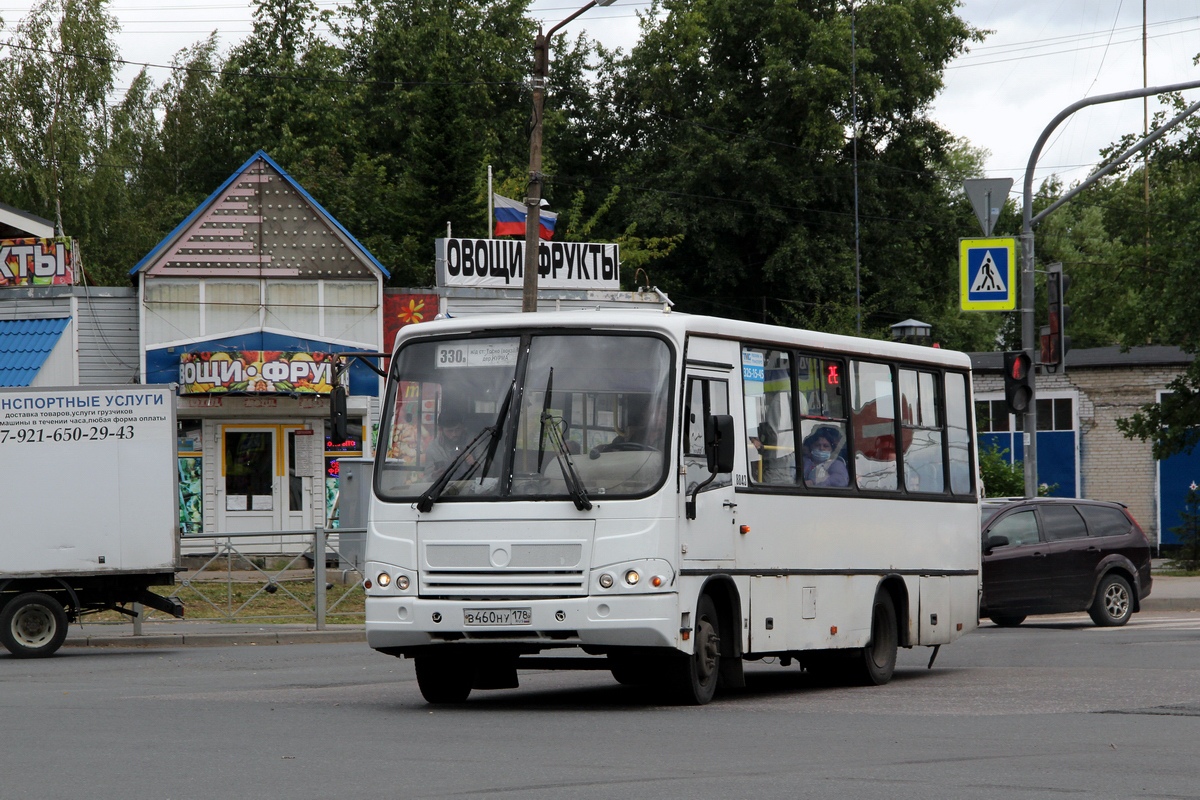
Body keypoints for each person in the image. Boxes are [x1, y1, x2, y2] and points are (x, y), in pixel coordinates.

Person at [424, 407, 473, 478]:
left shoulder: (474, 441)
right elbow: (427, 477)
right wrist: (433, 476)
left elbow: (491, 469)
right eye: (450, 431)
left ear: (463, 427)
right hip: (442, 488)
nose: (454, 434)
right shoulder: (433, 449)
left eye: (458, 429)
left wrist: (475, 464)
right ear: (441, 430)